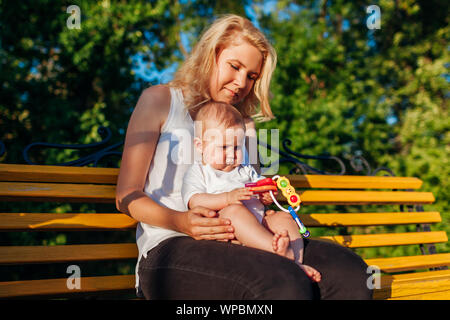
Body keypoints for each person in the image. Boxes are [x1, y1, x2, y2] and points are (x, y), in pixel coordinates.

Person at [115, 14, 372, 299]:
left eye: (251, 76)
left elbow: (249, 186)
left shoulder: (244, 124)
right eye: (234, 66)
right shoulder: (160, 100)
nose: (240, 83)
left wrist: (266, 193)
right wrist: (181, 221)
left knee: (351, 274)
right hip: (171, 245)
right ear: (210, 55)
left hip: (245, 239)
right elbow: (126, 195)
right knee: (280, 282)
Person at [181, 101, 321, 282]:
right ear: (200, 146)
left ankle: (296, 262)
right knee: (234, 210)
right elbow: (195, 201)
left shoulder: (246, 169)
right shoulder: (199, 171)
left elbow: (261, 190)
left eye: (237, 147)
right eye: (224, 147)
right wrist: (228, 198)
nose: (231, 154)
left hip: (260, 224)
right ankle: (277, 251)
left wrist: (267, 195)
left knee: (282, 218)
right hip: (231, 231)